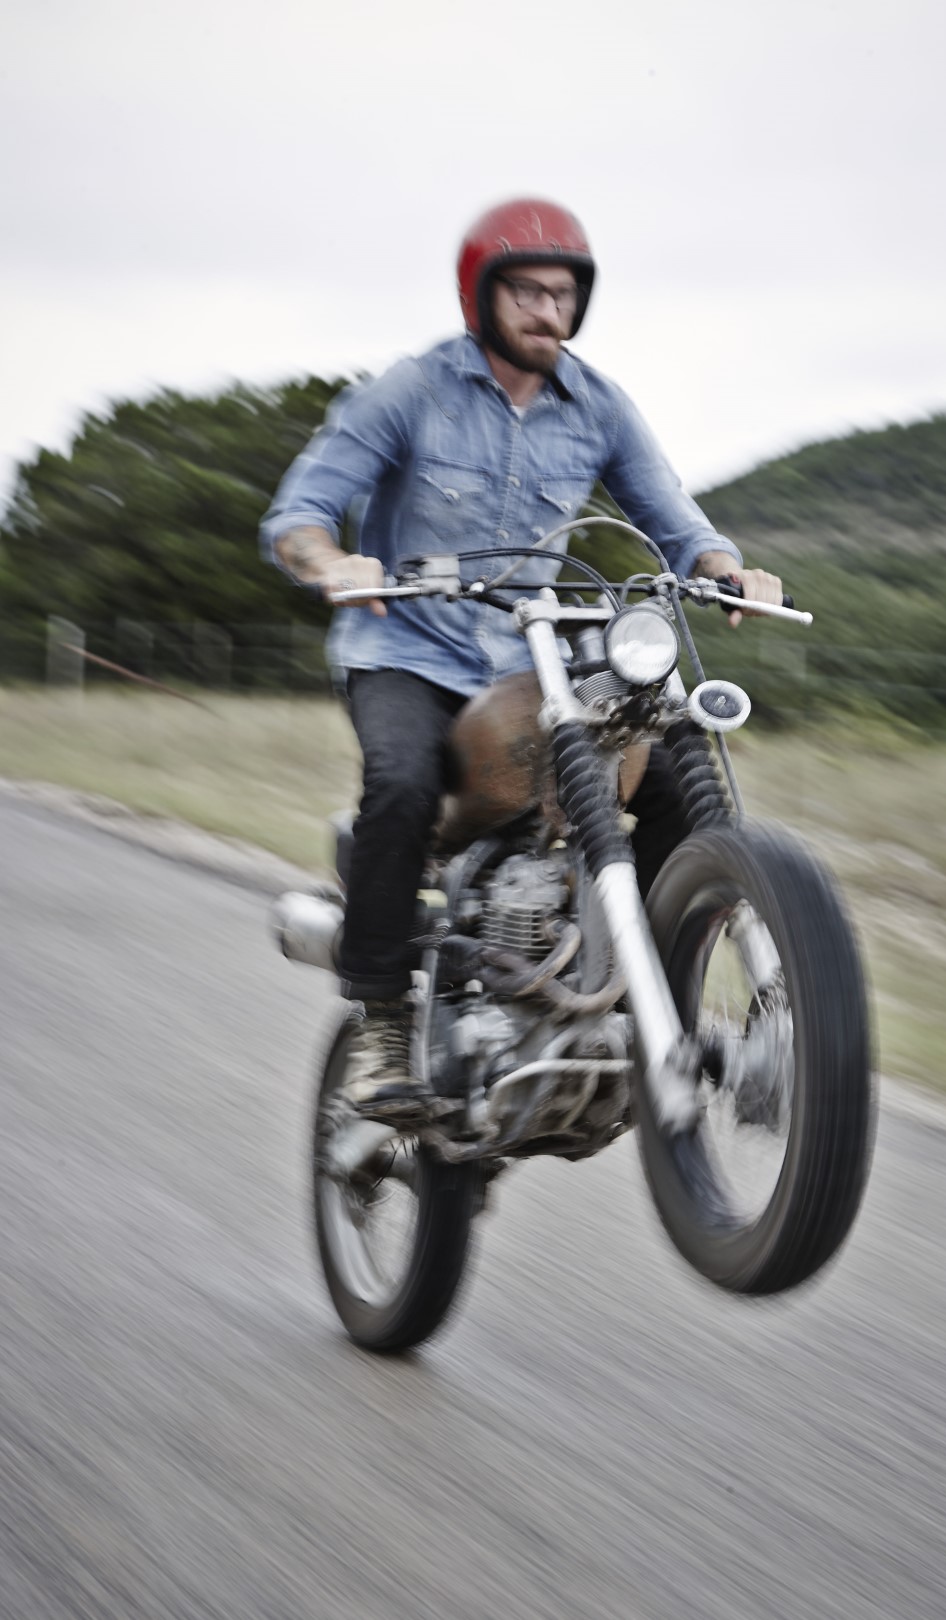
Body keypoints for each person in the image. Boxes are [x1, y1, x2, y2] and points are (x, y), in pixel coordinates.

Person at [260, 197, 782, 1120]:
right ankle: (383, 1021)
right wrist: (332, 561)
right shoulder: (412, 390)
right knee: (402, 783)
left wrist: (721, 569)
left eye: (564, 294)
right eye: (528, 292)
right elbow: (299, 515)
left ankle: (648, 997)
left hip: (527, 661)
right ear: (483, 294)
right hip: (408, 649)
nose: (549, 310)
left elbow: (674, 519)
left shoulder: (599, 406)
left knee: (668, 780)